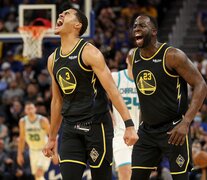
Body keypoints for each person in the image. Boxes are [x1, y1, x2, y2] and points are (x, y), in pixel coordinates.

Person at [42, 7, 138, 180]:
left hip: (96, 126)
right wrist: (51, 137)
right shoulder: (52, 59)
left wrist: (129, 125)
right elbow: (57, 101)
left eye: (68, 13)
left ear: (77, 25)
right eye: (62, 13)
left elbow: (112, 90)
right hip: (71, 128)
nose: (61, 14)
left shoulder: (90, 52)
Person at [130, 14, 207, 180]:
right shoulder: (133, 57)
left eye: (142, 25)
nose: (136, 28)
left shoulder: (172, 56)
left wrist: (186, 122)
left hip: (173, 130)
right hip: (146, 132)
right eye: (135, 25)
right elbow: (147, 96)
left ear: (154, 31)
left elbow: (201, 85)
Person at [112, 49, 140, 180]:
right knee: (125, 174)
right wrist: (110, 117)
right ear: (127, 60)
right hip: (121, 134)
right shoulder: (116, 77)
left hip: (143, 135)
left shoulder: (148, 81)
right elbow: (98, 98)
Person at [17, 102, 52, 180]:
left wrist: (55, 152)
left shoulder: (42, 120)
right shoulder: (22, 122)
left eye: (31, 108)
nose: (30, 110)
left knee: (39, 173)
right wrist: (19, 154)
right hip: (32, 150)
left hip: (44, 150)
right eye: (28, 108)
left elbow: (52, 136)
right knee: (37, 177)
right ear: (25, 111)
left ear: (35, 109)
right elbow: (22, 139)